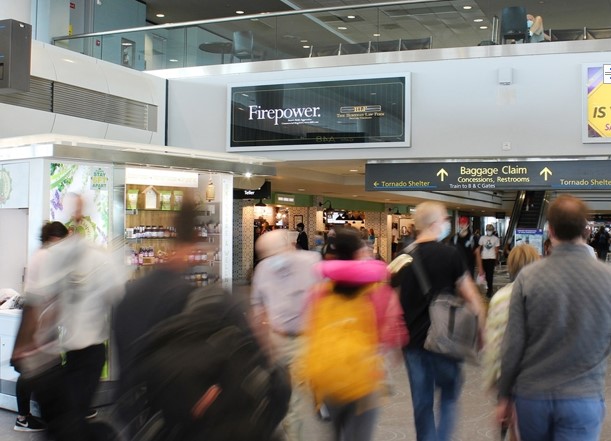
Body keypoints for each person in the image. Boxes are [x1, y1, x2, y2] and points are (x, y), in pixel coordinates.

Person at [496, 195, 611, 441]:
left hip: (532, 396)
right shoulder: (607, 278)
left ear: (550, 230)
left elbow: (512, 345)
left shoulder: (528, 277)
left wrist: (504, 395)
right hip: (582, 395)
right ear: (586, 229)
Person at [12, 221, 125, 441]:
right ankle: (28, 417)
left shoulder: (62, 262)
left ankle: (46, 418)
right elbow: (40, 302)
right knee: (66, 419)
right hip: (63, 351)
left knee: (67, 419)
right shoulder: (49, 260)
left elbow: (50, 302)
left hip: (73, 351)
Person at [301, 228, 407, 441]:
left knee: (334, 433)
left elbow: (309, 333)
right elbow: (394, 334)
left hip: (326, 378)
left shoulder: (318, 293)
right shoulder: (377, 292)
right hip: (363, 380)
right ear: (358, 255)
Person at [392, 202, 485, 441]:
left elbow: (392, 303)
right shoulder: (450, 254)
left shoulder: (402, 258)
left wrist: (394, 340)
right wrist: (481, 331)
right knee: (449, 396)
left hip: (414, 344)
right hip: (446, 340)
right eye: (445, 219)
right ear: (435, 224)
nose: (447, 224)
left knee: (421, 403)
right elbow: (472, 298)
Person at [250, 228, 322, 441]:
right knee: (281, 393)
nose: (273, 260)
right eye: (268, 256)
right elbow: (258, 306)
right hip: (276, 338)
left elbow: (324, 297)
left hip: (305, 339)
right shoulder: (263, 268)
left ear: (290, 245)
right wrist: (263, 344)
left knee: (295, 400)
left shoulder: (311, 261)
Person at [482, 244, 539, 441]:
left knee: (516, 430)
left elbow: (495, 343)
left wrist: (493, 379)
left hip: (509, 376)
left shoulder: (499, 298)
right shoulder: (544, 294)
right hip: (538, 375)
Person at [476, 224, 500, 298]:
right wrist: (478, 258)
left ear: (492, 230)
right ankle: (489, 287)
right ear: (486, 230)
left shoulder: (496, 239)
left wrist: (496, 259)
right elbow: (479, 248)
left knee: (490, 275)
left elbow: (496, 250)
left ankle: (490, 290)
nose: (489, 231)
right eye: (488, 230)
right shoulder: (482, 238)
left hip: (491, 259)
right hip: (484, 258)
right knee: (485, 275)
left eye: (490, 230)